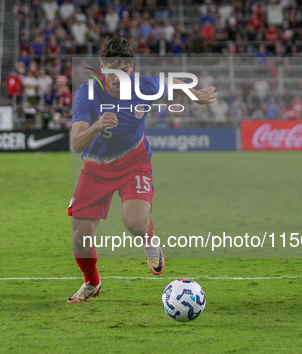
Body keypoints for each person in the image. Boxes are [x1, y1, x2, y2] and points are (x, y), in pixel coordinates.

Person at [68, 37, 216, 302]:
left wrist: (197, 96)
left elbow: (173, 84)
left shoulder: (144, 86)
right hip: (95, 170)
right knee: (80, 239)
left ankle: (149, 238)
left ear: (131, 69)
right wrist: (97, 126)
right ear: (102, 66)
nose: (117, 78)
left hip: (133, 163)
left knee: (135, 223)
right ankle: (92, 284)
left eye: (123, 71)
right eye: (111, 71)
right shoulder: (87, 94)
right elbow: (76, 143)